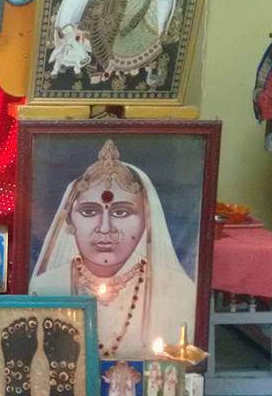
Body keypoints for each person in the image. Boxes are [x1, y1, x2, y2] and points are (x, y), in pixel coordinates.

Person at [30, 139, 196, 359]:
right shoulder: (44, 288)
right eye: (89, 212)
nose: (105, 228)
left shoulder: (179, 291)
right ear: (70, 219)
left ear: (147, 220)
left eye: (121, 212)